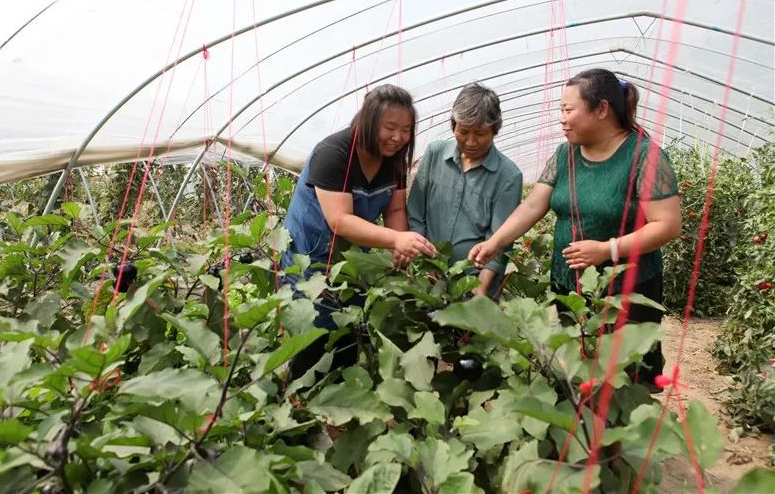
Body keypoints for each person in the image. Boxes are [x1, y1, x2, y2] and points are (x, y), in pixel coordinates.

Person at [469, 68, 681, 387]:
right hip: (569, 287)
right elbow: (533, 205)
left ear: (602, 109)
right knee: (572, 374)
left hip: (626, 292)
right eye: (560, 110)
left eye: (569, 110)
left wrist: (608, 249)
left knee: (623, 383)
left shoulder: (644, 157)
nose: (562, 118)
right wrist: (495, 242)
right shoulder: (565, 153)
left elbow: (667, 225)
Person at [282, 84, 436, 380]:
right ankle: (303, 404)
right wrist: (397, 238)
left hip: (352, 259)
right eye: (390, 127)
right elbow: (340, 220)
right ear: (368, 122)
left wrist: (399, 246)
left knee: (348, 328)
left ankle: (340, 404)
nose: (398, 137)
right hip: (308, 257)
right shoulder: (333, 154)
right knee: (313, 333)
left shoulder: (394, 161)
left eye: (406, 130)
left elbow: (394, 209)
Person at [407, 82, 522, 298]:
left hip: (473, 281)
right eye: (463, 131)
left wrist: (480, 289)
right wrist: (423, 261)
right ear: (453, 126)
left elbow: (499, 241)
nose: (470, 141)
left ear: (494, 130)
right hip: (426, 275)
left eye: (480, 133)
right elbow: (415, 216)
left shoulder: (508, 176)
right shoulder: (434, 154)